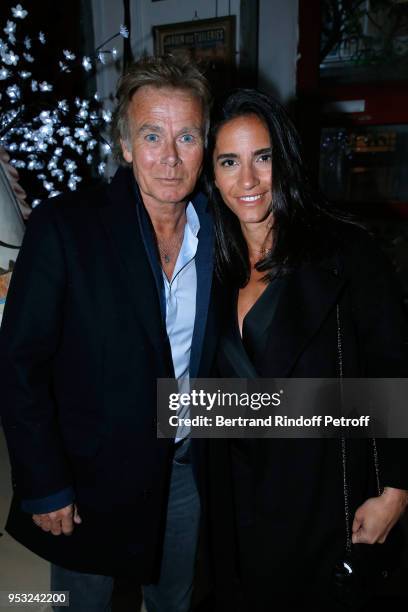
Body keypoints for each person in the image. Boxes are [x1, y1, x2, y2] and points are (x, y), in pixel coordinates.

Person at [0, 55, 220, 612]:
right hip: (89, 475)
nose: (169, 158)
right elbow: (19, 363)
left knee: (174, 600)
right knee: (84, 603)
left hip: (186, 470)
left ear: (205, 144)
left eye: (187, 136)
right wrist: (45, 482)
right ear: (125, 145)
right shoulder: (65, 227)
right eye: (151, 135)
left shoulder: (224, 233)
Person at [204, 89, 408, 611]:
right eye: (229, 161)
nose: (247, 181)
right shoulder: (208, 264)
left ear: (287, 160)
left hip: (324, 505)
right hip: (238, 503)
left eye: (263, 158)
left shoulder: (347, 253)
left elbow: (393, 370)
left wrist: (394, 490)